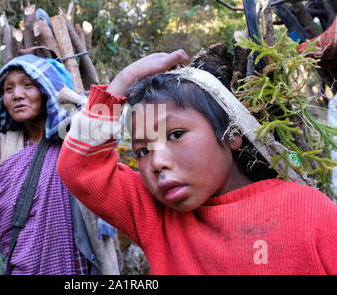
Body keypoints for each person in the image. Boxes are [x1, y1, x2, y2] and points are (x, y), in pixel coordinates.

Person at [57, 49, 337, 274]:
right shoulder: (156, 218)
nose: (157, 163)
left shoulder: (311, 210)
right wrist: (124, 80)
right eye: (143, 151)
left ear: (231, 134)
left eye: (175, 134)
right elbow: (78, 166)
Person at [0, 54, 120, 275]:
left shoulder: (75, 136)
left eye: (28, 85)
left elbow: (111, 123)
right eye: (8, 89)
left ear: (46, 90)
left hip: (81, 267)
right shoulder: (3, 146)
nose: (17, 95)